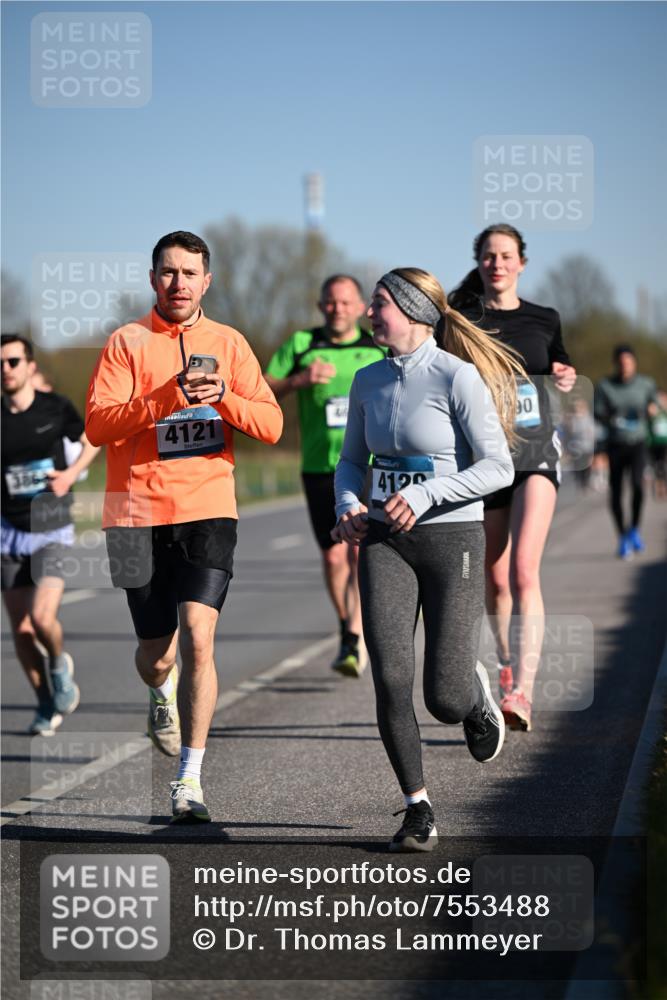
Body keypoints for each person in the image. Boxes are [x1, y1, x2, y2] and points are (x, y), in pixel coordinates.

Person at [86, 231, 283, 823]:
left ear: (207, 281)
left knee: (199, 633)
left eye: (189, 273)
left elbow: (270, 424)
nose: (178, 284)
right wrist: (166, 398)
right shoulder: (126, 342)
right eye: (168, 273)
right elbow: (99, 426)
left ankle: (189, 779)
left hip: (207, 507)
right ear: (153, 279)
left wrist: (222, 397)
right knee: (157, 654)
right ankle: (158, 691)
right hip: (133, 514)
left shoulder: (229, 342)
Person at [333, 268, 522, 852]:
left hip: (452, 541)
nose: (369, 313)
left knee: (443, 698)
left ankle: (472, 694)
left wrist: (422, 494)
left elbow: (499, 468)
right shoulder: (366, 381)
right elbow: (350, 462)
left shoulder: (456, 377)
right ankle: (418, 807)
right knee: (389, 678)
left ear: (414, 312)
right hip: (385, 542)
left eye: (380, 304)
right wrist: (347, 503)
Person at [450, 224, 577, 733]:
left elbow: (560, 364)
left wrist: (565, 373)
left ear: (521, 262)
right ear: (479, 262)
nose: (497, 263)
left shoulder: (544, 318)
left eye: (506, 255)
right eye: (488, 256)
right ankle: (504, 668)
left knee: (525, 570)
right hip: (484, 459)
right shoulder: (461, 320)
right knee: (495, 577)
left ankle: (522, 690)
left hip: (535, 453)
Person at [265, 275, 385, 677]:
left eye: (346, 302)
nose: (338, 309)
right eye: (330, 302)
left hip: (369, 464)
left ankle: (356, 635)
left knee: (357, 551)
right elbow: (261, 389)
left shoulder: (376, 345)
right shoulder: (302, 344)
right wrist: (297, 380)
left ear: (359, 306)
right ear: (321, 306)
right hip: (320, 467)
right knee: (334, 557)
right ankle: (347, 627)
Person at [1, 334, 98, 735]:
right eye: (0, 364)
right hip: (8, 531)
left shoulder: (55, 408)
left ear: (29, 365)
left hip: (50, 523)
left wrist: (71, 475)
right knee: (21, 630)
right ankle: (45, 704)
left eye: (12, 361)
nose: (5, 370)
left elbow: (93, 437)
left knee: (42, 619)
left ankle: (58, 665)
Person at [594, 345, 658, 558]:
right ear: (616, 364)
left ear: (634, 363)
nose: (625, 367)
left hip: (638, 442)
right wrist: (611, 416)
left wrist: (652, 410)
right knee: (616, 492)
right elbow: (597, 413)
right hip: (615, 444)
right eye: (621, 363)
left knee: (639, 487)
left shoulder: (646, 384)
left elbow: (655, 407)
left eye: (629, 363)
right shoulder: (605, 386)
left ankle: (634, 530)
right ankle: (622, 535)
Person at [648, 389, 667, 500]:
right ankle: (659, 487)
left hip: (665, 442)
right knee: (657, 466)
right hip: (655, 443)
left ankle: (663, 487)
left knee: (663, 466)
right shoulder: (653, 410)